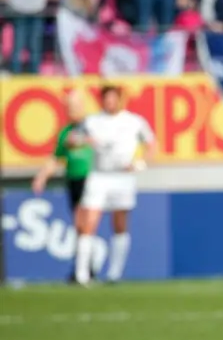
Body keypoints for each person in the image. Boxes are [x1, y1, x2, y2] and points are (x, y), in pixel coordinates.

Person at [75, 85, 157, 285]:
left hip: (122, 177)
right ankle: (82, 274)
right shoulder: (92, 121)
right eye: (106, 99)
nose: (109, 102)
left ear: (120, 100)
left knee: (120, 224)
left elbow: (152, 144)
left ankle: (115, 273)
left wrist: (140, 164)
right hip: (99, 176)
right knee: (89, 223)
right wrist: (84, 140)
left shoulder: (133, 121)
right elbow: (71, 139)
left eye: (113, 98)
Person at [31, 90, 96, 282]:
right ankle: (84, 267)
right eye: (68, 107)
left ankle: (84, 270)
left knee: (85, 223)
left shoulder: (92, 127)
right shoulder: (66, 133)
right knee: (79, 225)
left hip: (91, 179)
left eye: (74, 106)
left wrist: (83, 141)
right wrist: (41, 177)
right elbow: (56, 158)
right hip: (73, 180)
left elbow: (102, 143)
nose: (71, 110)